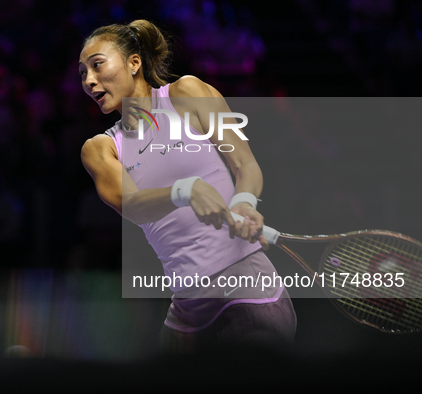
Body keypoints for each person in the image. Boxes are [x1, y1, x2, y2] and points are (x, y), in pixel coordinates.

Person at [79, 20, 296, 353]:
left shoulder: (187, 93)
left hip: (248, 290)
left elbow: (245, 164)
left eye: (97, 65)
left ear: (134, 62)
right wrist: (184, 191)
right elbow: (131, 204)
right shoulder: (102, 148)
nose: (89, 80)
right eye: (82, 73)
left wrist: (245, 202)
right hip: (189, 310)